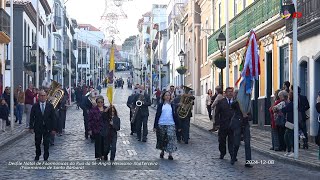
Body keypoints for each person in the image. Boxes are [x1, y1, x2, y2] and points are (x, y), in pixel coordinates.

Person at [29, 90, 56, 161]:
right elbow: (32, 117)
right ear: (39, 97)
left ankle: (46, 156)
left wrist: (53, 129)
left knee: (46, 143)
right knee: (37, 142)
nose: (43, 97)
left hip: (47, 128)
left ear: (46, 97)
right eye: (41, 96)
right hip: (38, 127)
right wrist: (31, 127)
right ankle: (38, 154)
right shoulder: (35, 106)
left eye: (44, 96)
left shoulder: (50, 106)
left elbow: (53, 118)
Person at [154, 91, 180, 160]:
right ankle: (162, 151)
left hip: (171, 124)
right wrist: (155, 126)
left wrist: (178, 125)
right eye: (166, 95)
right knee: (162, 139)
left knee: (171, 138)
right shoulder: (160, 105)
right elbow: (157, 115)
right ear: (163, 97)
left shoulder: (172, 105)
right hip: (161, 124)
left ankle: (170, 154)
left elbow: (175, 115)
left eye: (169, 95)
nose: (167, 97)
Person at [229, 100, 253, 168]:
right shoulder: (236, 103)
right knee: (236, 143)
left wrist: (247, 116)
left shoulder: (247, 106)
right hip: (237, 125)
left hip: (245, 125)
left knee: (247, 144)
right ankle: (233, 158)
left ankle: (248, 162)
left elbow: (251, 117)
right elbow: (232, 106)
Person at [215, 87, 234, 160]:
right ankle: (222, 153)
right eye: (228, 92)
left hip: (232, 125)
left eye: (231, 91)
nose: (230, 93)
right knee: (221, 140)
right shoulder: (221, 102)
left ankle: (232, 154)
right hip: (223, 125)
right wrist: (217, 124)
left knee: (232, 141)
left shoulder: (236, 102)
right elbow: (217, 114)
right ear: (225, 93)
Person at [88, 96, 108, 160]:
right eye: (99, 102)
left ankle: (104, 155)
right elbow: (90, 120)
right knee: (98, 143)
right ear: (96, 102)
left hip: (105, 128)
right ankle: (98, 155)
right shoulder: (93, 110)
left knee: (105, 143)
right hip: (96, 128)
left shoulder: (106, 108)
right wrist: (90, 129)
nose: (100, 103)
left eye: (101, 102)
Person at [282, 92, 294, 157]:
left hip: (291, 122)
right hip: (289, 122)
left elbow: (284, 110)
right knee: (287, 137)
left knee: (289, 137)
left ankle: (293, 151)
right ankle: (289, 151)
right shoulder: (290, 104)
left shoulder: (291, 104)